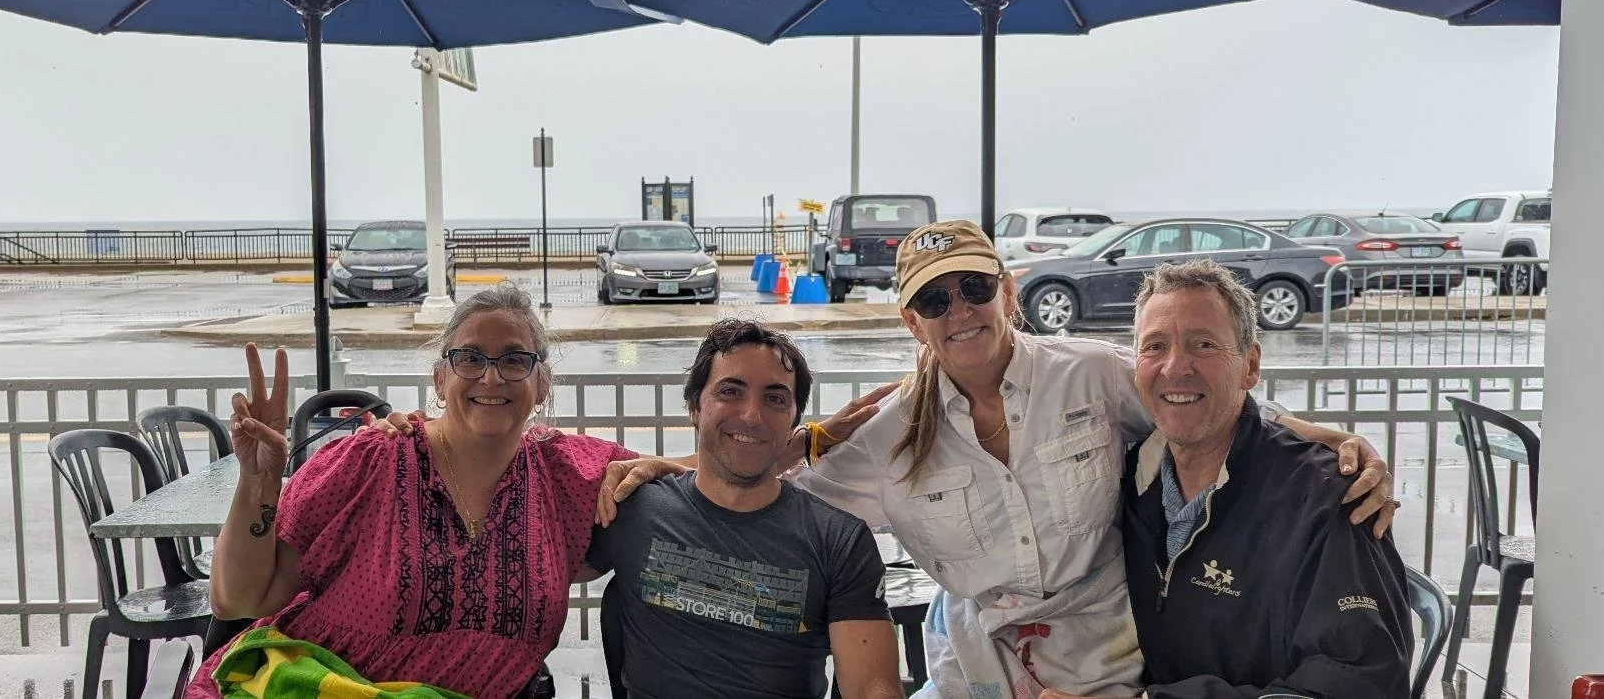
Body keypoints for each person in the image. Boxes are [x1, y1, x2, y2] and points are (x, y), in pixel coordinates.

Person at [786, 220, 1396, 699]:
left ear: (1007, 292)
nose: (960, 311)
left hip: (1108, 672)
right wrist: (791, 444)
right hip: (974, 675)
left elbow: (1190, 396)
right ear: (912, 323)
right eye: (933, 300)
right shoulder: (887, 435)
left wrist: (1323, 439)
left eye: (974, 288)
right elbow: (772, 504)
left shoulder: (1089, 375)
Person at [192, 286, 683, 699]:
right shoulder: (369, 461)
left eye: (515, 360)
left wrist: (662, 465)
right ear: (439, 378)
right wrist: (257, 481)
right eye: (469, 358)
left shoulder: (565, 472)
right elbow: (238, 599)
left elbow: (718, 471)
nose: (491, 376)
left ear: (542, 384)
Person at [1090, 260, 1411, 698]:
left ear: (1250, 365)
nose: (1175, 367)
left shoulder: (1328, 499)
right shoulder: (1129, 482)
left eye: (1203, 344)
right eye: (1155, 346)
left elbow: (1362, 682)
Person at [584, 320, 903, 699]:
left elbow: (871, 686)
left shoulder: (838, 540)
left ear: (794, 421)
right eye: (730, 391)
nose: (752, 416)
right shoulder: (634, 507)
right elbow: (540, 579)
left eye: (775, 398)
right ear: (695, 407)